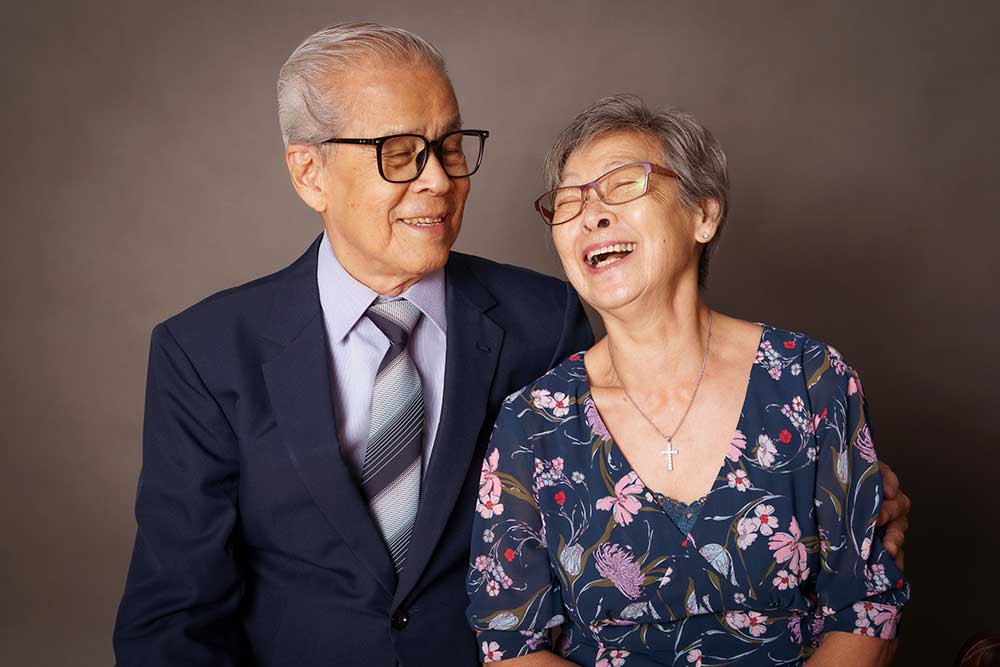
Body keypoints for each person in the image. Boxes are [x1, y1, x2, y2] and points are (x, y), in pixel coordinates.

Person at [112, 22, 908, 667]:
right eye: (400, 153)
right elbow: (175, 614)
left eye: (450, 147)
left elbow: (628, 496)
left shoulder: (540, 319)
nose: (437, 179)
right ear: (308, 173)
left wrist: (847, 504)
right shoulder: (206, 351)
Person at [466, 95, 909, 666]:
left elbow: (866, 608)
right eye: (570, 198)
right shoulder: (533, 422)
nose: (590, 213)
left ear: (704, 214)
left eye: (622, 183)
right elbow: (510, 646)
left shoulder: (811, 380)